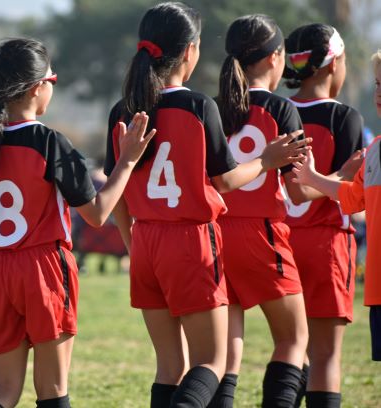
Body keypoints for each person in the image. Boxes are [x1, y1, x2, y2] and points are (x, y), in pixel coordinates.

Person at [0, 38, 156, 408]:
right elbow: (96, 215)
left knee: (1, 392)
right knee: (52, 392)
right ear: (36, 88)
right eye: (53, 80)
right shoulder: (49, 142)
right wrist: (126, 162)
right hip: (44, 268)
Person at [104, 4, 310, 407]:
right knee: (213, 361)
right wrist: (266, 161)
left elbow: (118, 196)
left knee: (169, 368)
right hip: (190, 242)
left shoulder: (122, 110)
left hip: (145, 242)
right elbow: (226, 181)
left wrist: (134, 244)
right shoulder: (199, 106)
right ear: (190, 52)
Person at [210, 15, 310, 408]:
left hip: (216, 234)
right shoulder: (282, 110)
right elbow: (299, 192)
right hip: (262, 235)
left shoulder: (212, 108)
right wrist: (343, 179)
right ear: (275, 58)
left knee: (226, 353)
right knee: (292, 340)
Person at [282, 24, 364, 408]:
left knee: (289, 350)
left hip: (276, 242)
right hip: (326, 242)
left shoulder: (274, 109)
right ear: (333, 64)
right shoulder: (343, 116)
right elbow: (349, 192)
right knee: (326, 357)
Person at [292, 50, 381, 366]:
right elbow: (353, 198)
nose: (379, 94)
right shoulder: (374, 149)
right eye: (378, 84)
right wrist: (313, 178)